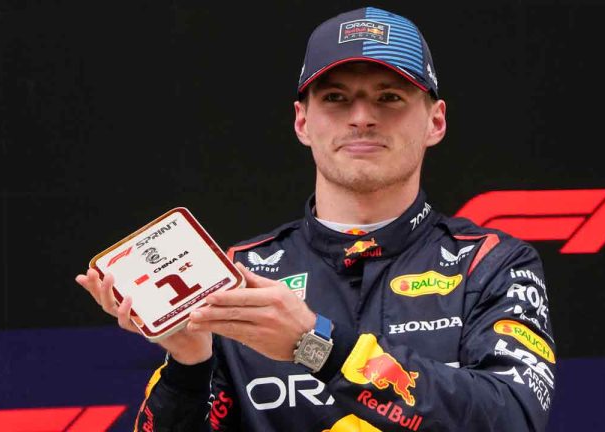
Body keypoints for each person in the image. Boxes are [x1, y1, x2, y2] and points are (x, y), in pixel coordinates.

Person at [76, 6, 555, 431]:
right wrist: (188, 363)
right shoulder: (238, 277)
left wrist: (315, 345)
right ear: (302, 121)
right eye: (336, 98)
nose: (362, 117)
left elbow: (515, 417)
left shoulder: (491, 264)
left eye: (389, 97)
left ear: (436, 121)